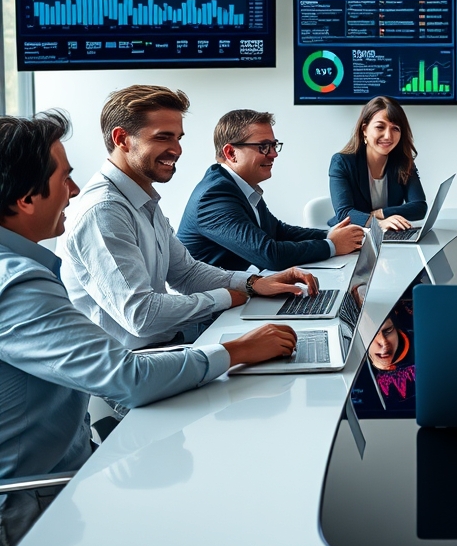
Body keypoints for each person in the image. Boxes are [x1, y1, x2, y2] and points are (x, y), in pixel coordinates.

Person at [0, 111, 297, 546]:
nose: (74, 191)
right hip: (36, 498)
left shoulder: (139, 204)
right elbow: (131, 361)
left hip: (75, 454)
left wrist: (249, 285)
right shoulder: (20, 281)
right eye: (65, 178)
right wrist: (236, 349)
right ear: (25, 198)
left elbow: (185, 270)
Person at [59, 85, 318, 351]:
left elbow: (186, 273)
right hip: (136, 363)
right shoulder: (104, 211)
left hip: (167, 346)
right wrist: (227, 297)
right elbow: (142, 315)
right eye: (163, 138)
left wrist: (253, 284)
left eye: (178, 138)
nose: (177, 149)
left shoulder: (142, 198)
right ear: (122, 139)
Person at [178, 109, 364, 271]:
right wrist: (331, 245)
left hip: (243, 288)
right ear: (231, 153)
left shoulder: (239, 185)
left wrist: (328, 235)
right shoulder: (214, 197)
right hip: (214, 306)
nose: (274, 154)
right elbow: (270, 254)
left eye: (274, 145)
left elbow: (277, 231)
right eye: (264, 147)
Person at [328, 96, 427, 232]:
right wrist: (378, 223)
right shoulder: (342, 162)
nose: (388, 136)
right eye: (380, 127)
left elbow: (419, 207)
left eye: (395, 129)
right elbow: (345, 213)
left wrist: (380, 213)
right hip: (352, 235)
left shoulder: (403, 161)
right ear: (364, 130)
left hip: (388, 237)